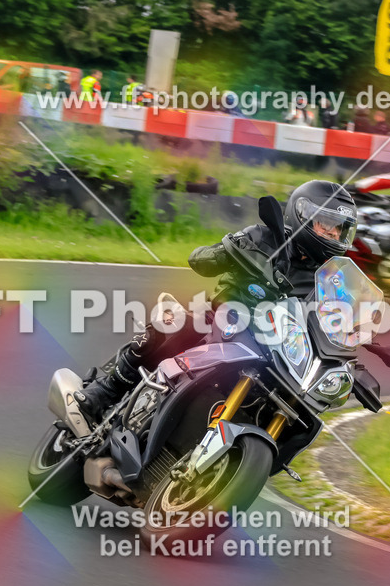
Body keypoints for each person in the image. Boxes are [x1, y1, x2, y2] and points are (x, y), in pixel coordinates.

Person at [74, 180, 358, 425]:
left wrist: (350, 348)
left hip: (276, 349)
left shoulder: (330, 278)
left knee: (301, 408)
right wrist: (229, 251)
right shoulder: (263, 237)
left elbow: (337, 324)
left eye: (340, 229)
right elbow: (199, 261)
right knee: (175, 323)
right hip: (222, 319)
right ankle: (106, 389)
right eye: (328, 225)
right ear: (304, 215)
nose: (334, 235)